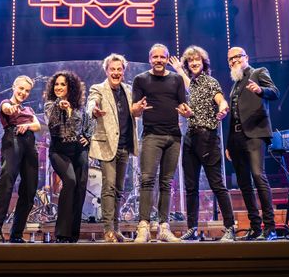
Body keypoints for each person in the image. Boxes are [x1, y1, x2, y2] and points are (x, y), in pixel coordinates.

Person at [169, 46, 235, 242]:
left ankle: (230, 227)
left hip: (208, 138)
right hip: (190, 138)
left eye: (197, 59)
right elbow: (189, 84)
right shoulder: (192, 84)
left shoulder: (210, 82)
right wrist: (178, 69)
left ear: (203, 62)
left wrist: (223, 108)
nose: (194, 63)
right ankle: (192, 229)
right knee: (191, 187)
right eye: (190, 61)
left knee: (217, 185)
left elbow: (221, 100)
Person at [131, 43, 191, 243]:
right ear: (150, 59)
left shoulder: (176, 79)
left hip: (173, 136)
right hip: (151, 136)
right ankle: (143, 227)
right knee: (147, 180)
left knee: (167, 183)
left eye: (162, 57)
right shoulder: (141, 79)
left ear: (167, 59)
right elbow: (134, 110)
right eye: (155, 57)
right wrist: (137, 110)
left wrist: (187, 113)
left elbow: (183, 105)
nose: (158, 60)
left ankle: (164, 227)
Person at [226, 47, 280, 241]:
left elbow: (275, 92)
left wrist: (260, 90)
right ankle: (256, 227)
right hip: (237, 138)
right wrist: (229, 143)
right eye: (230, 59)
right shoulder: (235, 84)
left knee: (258, 175)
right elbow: (233, 116)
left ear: (246, 57)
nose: (234, 60)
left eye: (237, 57)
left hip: (255, 134)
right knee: (244, 183)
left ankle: (270, 228)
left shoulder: (258, 73)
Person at [87, 53, 140, 243]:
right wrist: (93, 109)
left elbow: (134, 112)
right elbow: (91, 102)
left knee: (119, 189)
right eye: (112, 69)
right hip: (107, 146)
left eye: (119, 69)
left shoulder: (128, 90)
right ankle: (108, 229)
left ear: (124, 71)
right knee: (109, 187)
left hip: (125, 145)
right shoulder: (98, 88)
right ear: (106, 71)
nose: (116, 72)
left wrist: (139, 110)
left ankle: (116, 229)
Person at [44, 70, 94, 243]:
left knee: (80, 187)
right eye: (56, 84)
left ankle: (73, 234)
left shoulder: (79, 107)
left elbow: (89, 124)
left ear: (70, 87)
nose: (58, 87)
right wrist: (60, 106)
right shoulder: (50, 105)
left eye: (63, 84)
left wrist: (88, 137)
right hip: (59, 151)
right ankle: (62, 233)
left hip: (79, 150)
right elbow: (51, 122)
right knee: (70, 181)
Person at [0, 75, 41, 243]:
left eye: (27, 91)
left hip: (29, 145)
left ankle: (16, 233)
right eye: (21, 89)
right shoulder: (6, 103)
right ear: (14, 87)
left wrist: (27, 125)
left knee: (30, 189)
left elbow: (37, 125)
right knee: (7, 182)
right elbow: (6, 109)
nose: (23, 93)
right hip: (13, 140)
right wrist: (11, 109)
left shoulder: (29, 110)